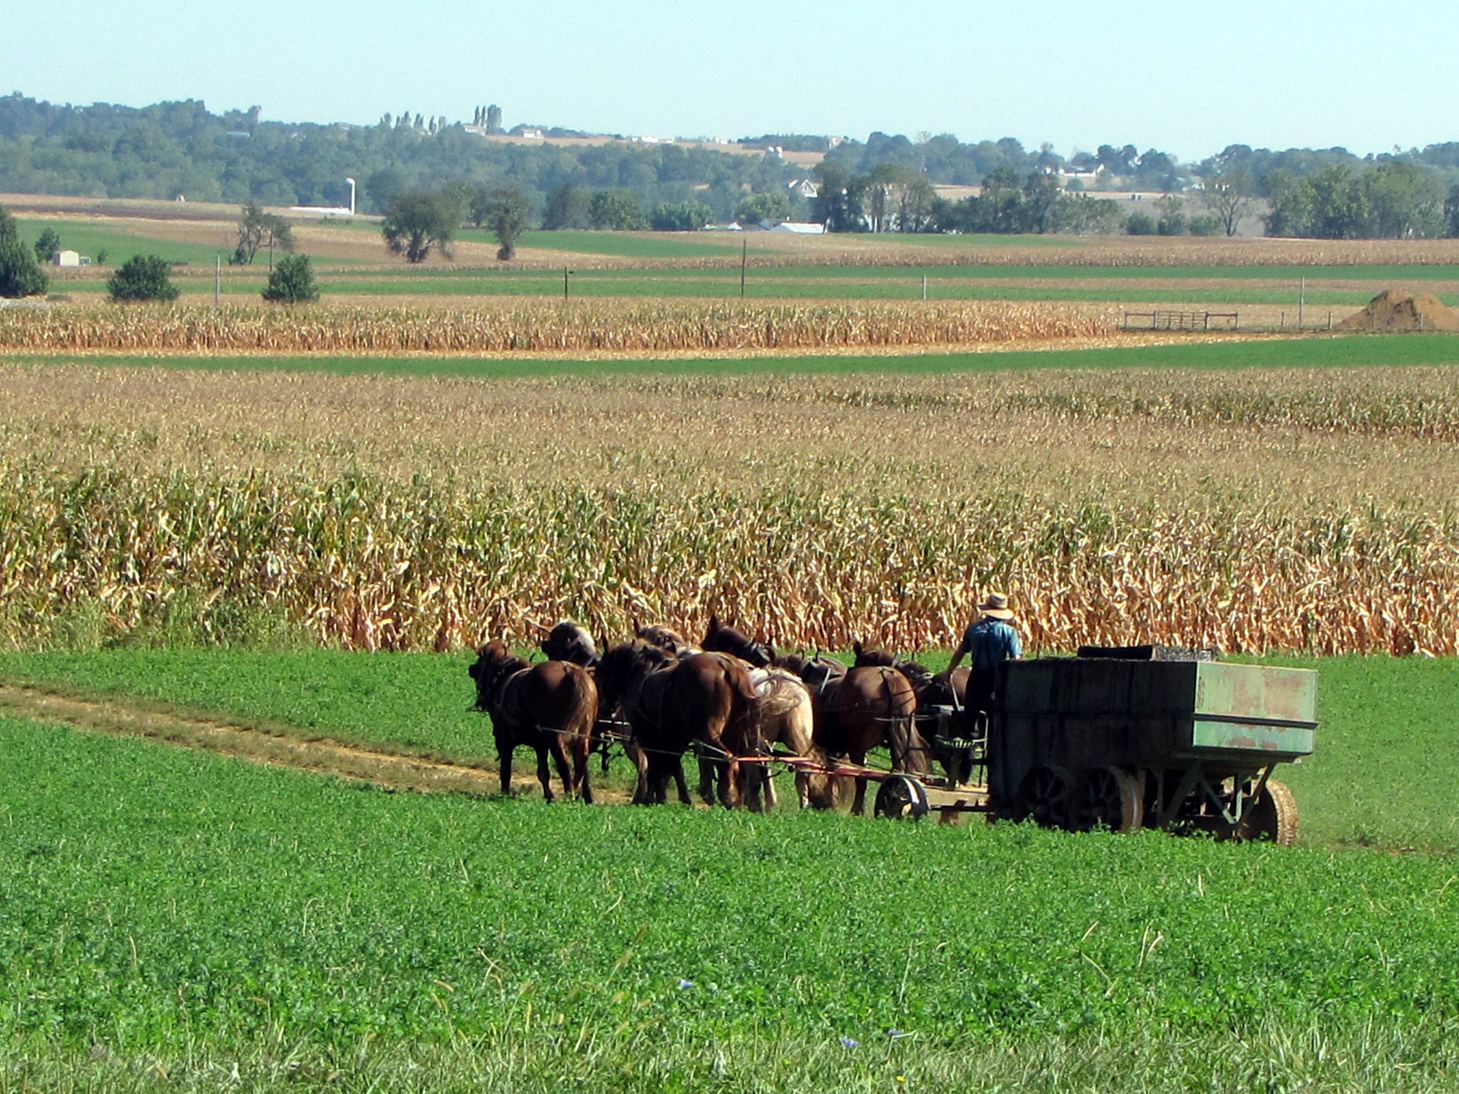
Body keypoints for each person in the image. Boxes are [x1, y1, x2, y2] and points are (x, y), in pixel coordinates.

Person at [946, 592, 1022, 730]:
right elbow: (1015, 659)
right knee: (996, 717)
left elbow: (961, 652)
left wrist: (949, 671)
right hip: (996, 678)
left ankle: (970, 747)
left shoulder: (974, 629)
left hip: (976, 676)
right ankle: (994, 748)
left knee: (970, 716)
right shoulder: (1009, 632)